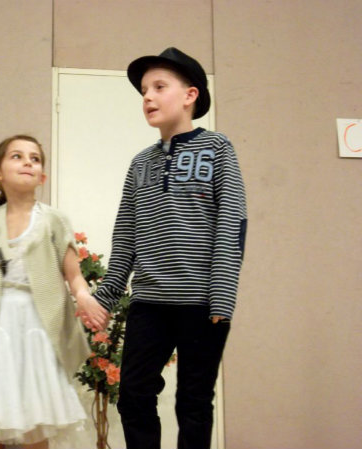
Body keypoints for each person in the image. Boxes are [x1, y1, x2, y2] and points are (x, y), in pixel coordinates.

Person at [93, 47, 247, 449]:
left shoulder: (218, 148)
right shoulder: (140, 163)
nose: (147, 96)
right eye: (144, 90)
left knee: (193, 402)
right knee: (133, 395)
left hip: (202, 303)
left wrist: (222, 295)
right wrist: (106, 296)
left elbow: (232, 223)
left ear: (190, 95)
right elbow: (125, 235)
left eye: (159, 87)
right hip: (149, 303)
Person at [0, 135, 109, 449]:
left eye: (34, 159)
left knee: (36, 420)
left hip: (39, 329)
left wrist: (84, 297)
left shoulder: (55, 221)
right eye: (17, 156)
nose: (27, 163)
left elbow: (74, 276)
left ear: (42, 177)